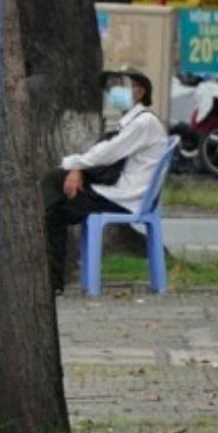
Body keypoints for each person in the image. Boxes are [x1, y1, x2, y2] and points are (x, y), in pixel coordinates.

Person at [42, 67, 168, 295]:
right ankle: (51, 278)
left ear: (140, 93)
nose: (113, 91)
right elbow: (102, 152)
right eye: (111, 87)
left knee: (52, 210)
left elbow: (108, 153)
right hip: (116, 191)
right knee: (54, 185)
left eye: (120, 85)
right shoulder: (131, 123)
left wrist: (74, 165)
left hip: (123, 197)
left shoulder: (143, 123)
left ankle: (52, 282)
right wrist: (77, 168)